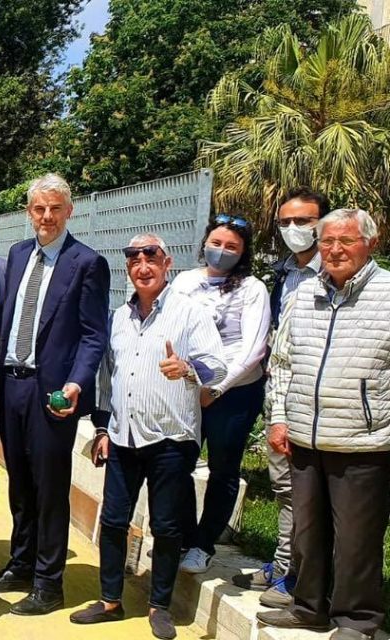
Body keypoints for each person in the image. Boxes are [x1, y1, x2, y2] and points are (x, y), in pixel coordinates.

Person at [70, 233, 225, 640]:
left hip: (172, 439)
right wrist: (102, 428)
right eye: (134, 258)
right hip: (123, 437)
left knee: (167, 526)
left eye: (150, 256)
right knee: (115, 520)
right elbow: (106, 379)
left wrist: (189, 369)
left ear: (166, 262)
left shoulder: (190, 313)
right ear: (128, 268)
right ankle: (110, 601)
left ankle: (160, 606)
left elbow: (219, 369)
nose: (142, 265)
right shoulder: (117, 318)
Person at [256, 208, 390, 640]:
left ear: (370, 243)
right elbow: (282, 363)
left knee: (355, 539)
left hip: (364, 440)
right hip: (304, 436)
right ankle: (308, 606)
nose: (334, 250)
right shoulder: (304, 294)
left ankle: (356, 620)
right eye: (328, 241)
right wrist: (279, 419)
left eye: (345, 241)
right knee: (306, 533)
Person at [0, 173, 109, 615]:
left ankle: (49, 582)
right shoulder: (19, 255)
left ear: (69, 211)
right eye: (39, 209)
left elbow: (93, 335)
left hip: (54, 392)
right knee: (18, 482)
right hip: (11, 385)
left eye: (54, 208)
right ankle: (21, 563)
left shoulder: (87, 262)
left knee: (49, 487)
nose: (46, 216)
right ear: (29, 212)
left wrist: (77, 382)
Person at [233, 187, 330, 606]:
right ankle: (285, 565)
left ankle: (305, 577)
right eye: (286, 222)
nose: (294, 229)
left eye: (304, 221)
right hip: (281, 399)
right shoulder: (287, 273)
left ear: (322, 223)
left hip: (318, 404)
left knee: (311, 496)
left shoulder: (334, 273)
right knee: (285, 489)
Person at [168, 215, 269, 575]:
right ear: (205, 243)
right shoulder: (184, 282)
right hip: (187, 389)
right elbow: (171, 330)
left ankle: (203, 544)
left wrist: (217, 387)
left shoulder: (252, 288)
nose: (221, 251)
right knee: (176, 463)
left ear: (243, 253)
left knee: (223, 469)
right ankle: (182, 536)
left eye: (231, 247)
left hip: (234, 393)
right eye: (216, 243)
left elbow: (253, 347)